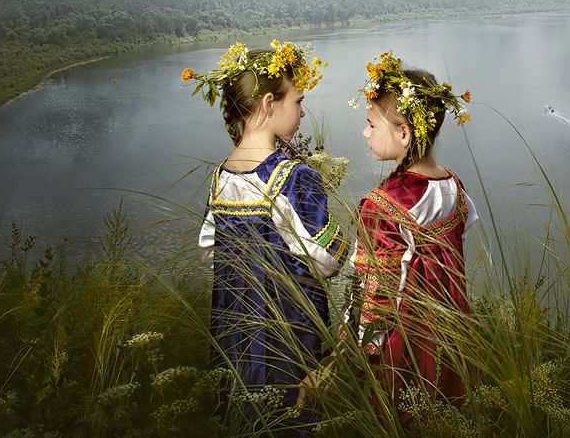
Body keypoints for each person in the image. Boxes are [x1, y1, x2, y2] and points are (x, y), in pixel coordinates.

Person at [182, 40, 348, 419]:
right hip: (286, 329)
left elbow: (210, 252)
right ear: (269, 104)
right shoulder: (293, 178)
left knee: (245, 412)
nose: (303, 113)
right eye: (298, 102)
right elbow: (328, 259)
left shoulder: (220, 177)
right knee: (290, 412)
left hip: (234, 326)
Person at [346, 50, 478, 423]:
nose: (365, 132)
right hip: (454, 332)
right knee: (449, 414)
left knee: (402, 416)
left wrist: (357, 350)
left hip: (407, 342)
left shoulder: (382, 204)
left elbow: (375, 293)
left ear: (404, 133)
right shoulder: (454, 186)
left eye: (372, 124)